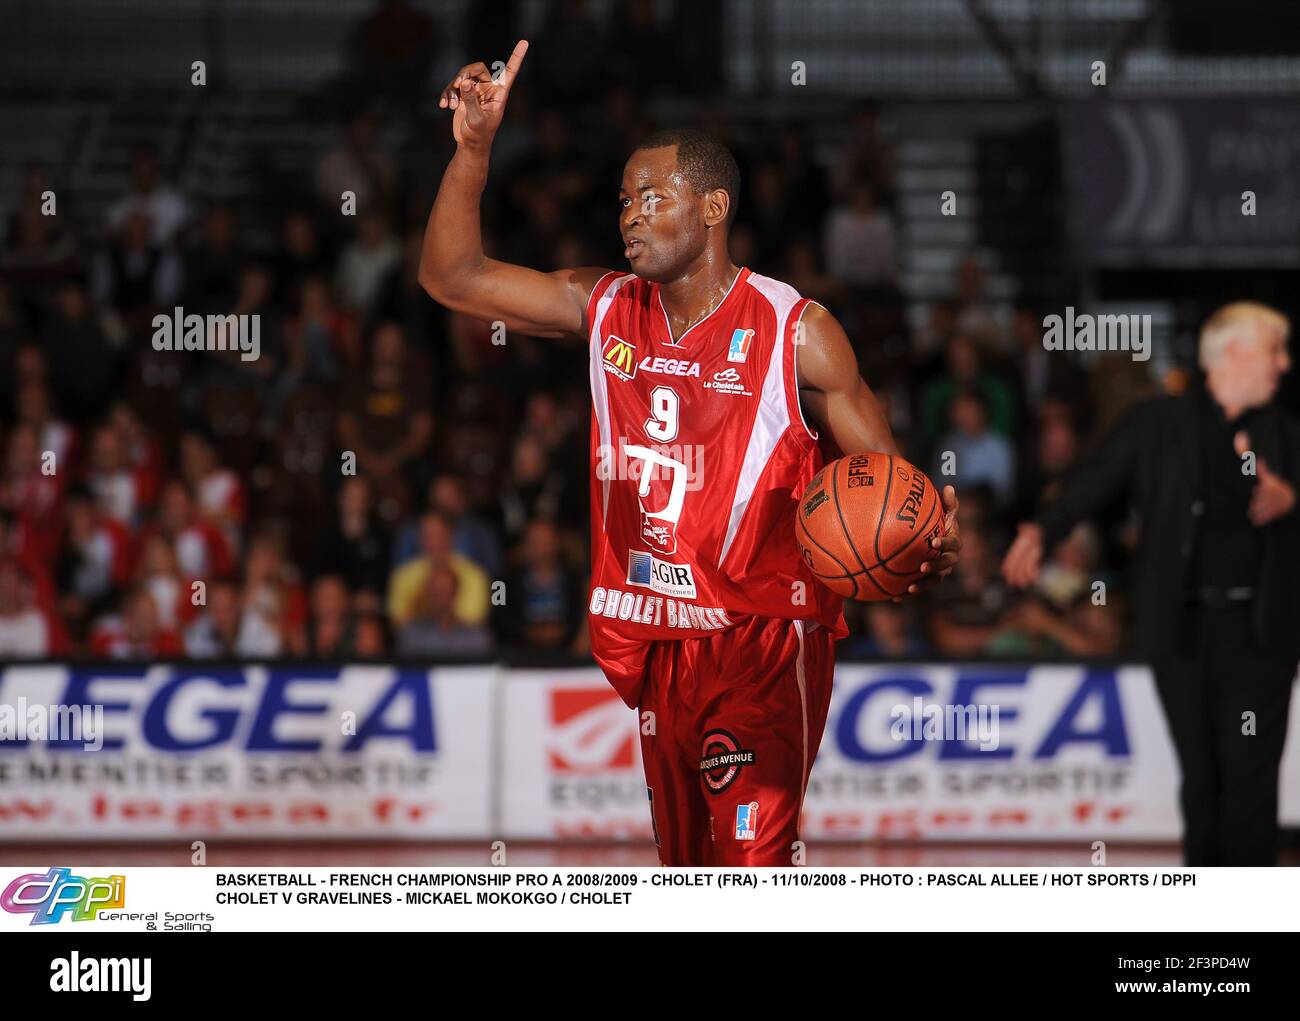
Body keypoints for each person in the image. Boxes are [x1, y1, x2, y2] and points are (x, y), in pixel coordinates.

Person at [418, 41, 961, 866]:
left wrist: (922, 539)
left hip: (763, 636)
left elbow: (885, 482)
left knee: (747, 874)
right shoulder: (601, 306)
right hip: (658, 644)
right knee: (687, 876)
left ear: (712, 209)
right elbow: (453, 277)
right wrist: (473, 150)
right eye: (623, 198)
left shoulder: (796, 331)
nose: (630, 213)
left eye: (652, 196)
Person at [1002, 301, 1300, 865]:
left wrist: (1291, 501)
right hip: (1180, 629)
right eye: (1274, 350)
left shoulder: (1286, 434)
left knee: (1251, 781)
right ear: (1233, 353)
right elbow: (1094, 480)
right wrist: (1042, 530)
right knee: (1199, 778)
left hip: (1261, 633)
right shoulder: (1157, 424)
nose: (1283, 365)